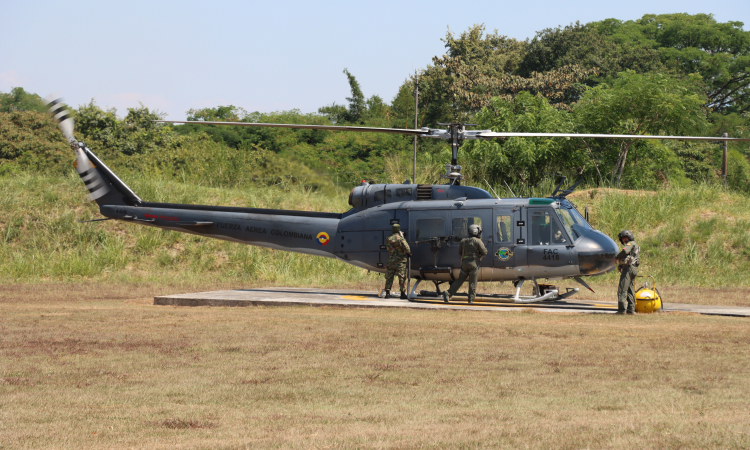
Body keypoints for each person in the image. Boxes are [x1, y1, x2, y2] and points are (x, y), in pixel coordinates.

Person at [442, 224, 488, 304]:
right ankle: (470, 300)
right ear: (475, 231)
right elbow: (484, 252)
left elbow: (459, 252)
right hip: (474, 263)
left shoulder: (463, 241)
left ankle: (449, 293)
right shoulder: (478, 241)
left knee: (459, 280)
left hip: (464, 263)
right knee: (473, 282)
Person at [615, 229, 640, 314]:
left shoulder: (630, 244)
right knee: (630, 289)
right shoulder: (635, 245)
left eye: (623, 238)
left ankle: (621, 310)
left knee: (622, 289)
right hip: (633, 269)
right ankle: (631, 309)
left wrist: (616, 257)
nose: (622, 240)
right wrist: (621, 265)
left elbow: (625, 251)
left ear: (627, 237)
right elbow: (630, 257)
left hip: (628, 269)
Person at [384, 223, 411, 299]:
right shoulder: (400, 239)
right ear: (398, 229)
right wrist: (402, 237)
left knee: (389, 277)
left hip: (391, 260)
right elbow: (407, 249)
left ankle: (387, 293)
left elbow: (387, 248)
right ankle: (402, 293)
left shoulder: (388, 238)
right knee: (402, 277)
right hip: (400, 261)